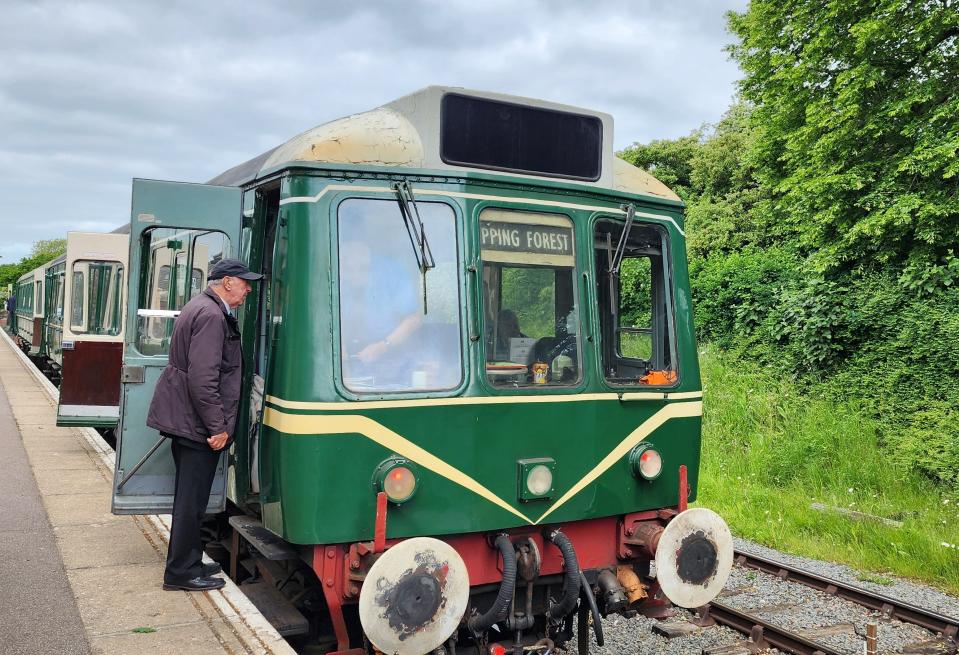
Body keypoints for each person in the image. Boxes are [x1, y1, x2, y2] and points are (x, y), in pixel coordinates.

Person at [146, 258, 263, 591]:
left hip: (186, 420)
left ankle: (191, 560)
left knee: (190, 499)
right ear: (227, 281)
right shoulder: (212, 316)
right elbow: (203, 379)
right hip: (197, 426)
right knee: (190, 502)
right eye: (244, 283)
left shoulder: (200, 306)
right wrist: (217, 427)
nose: (248, 289)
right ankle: (180, 572)